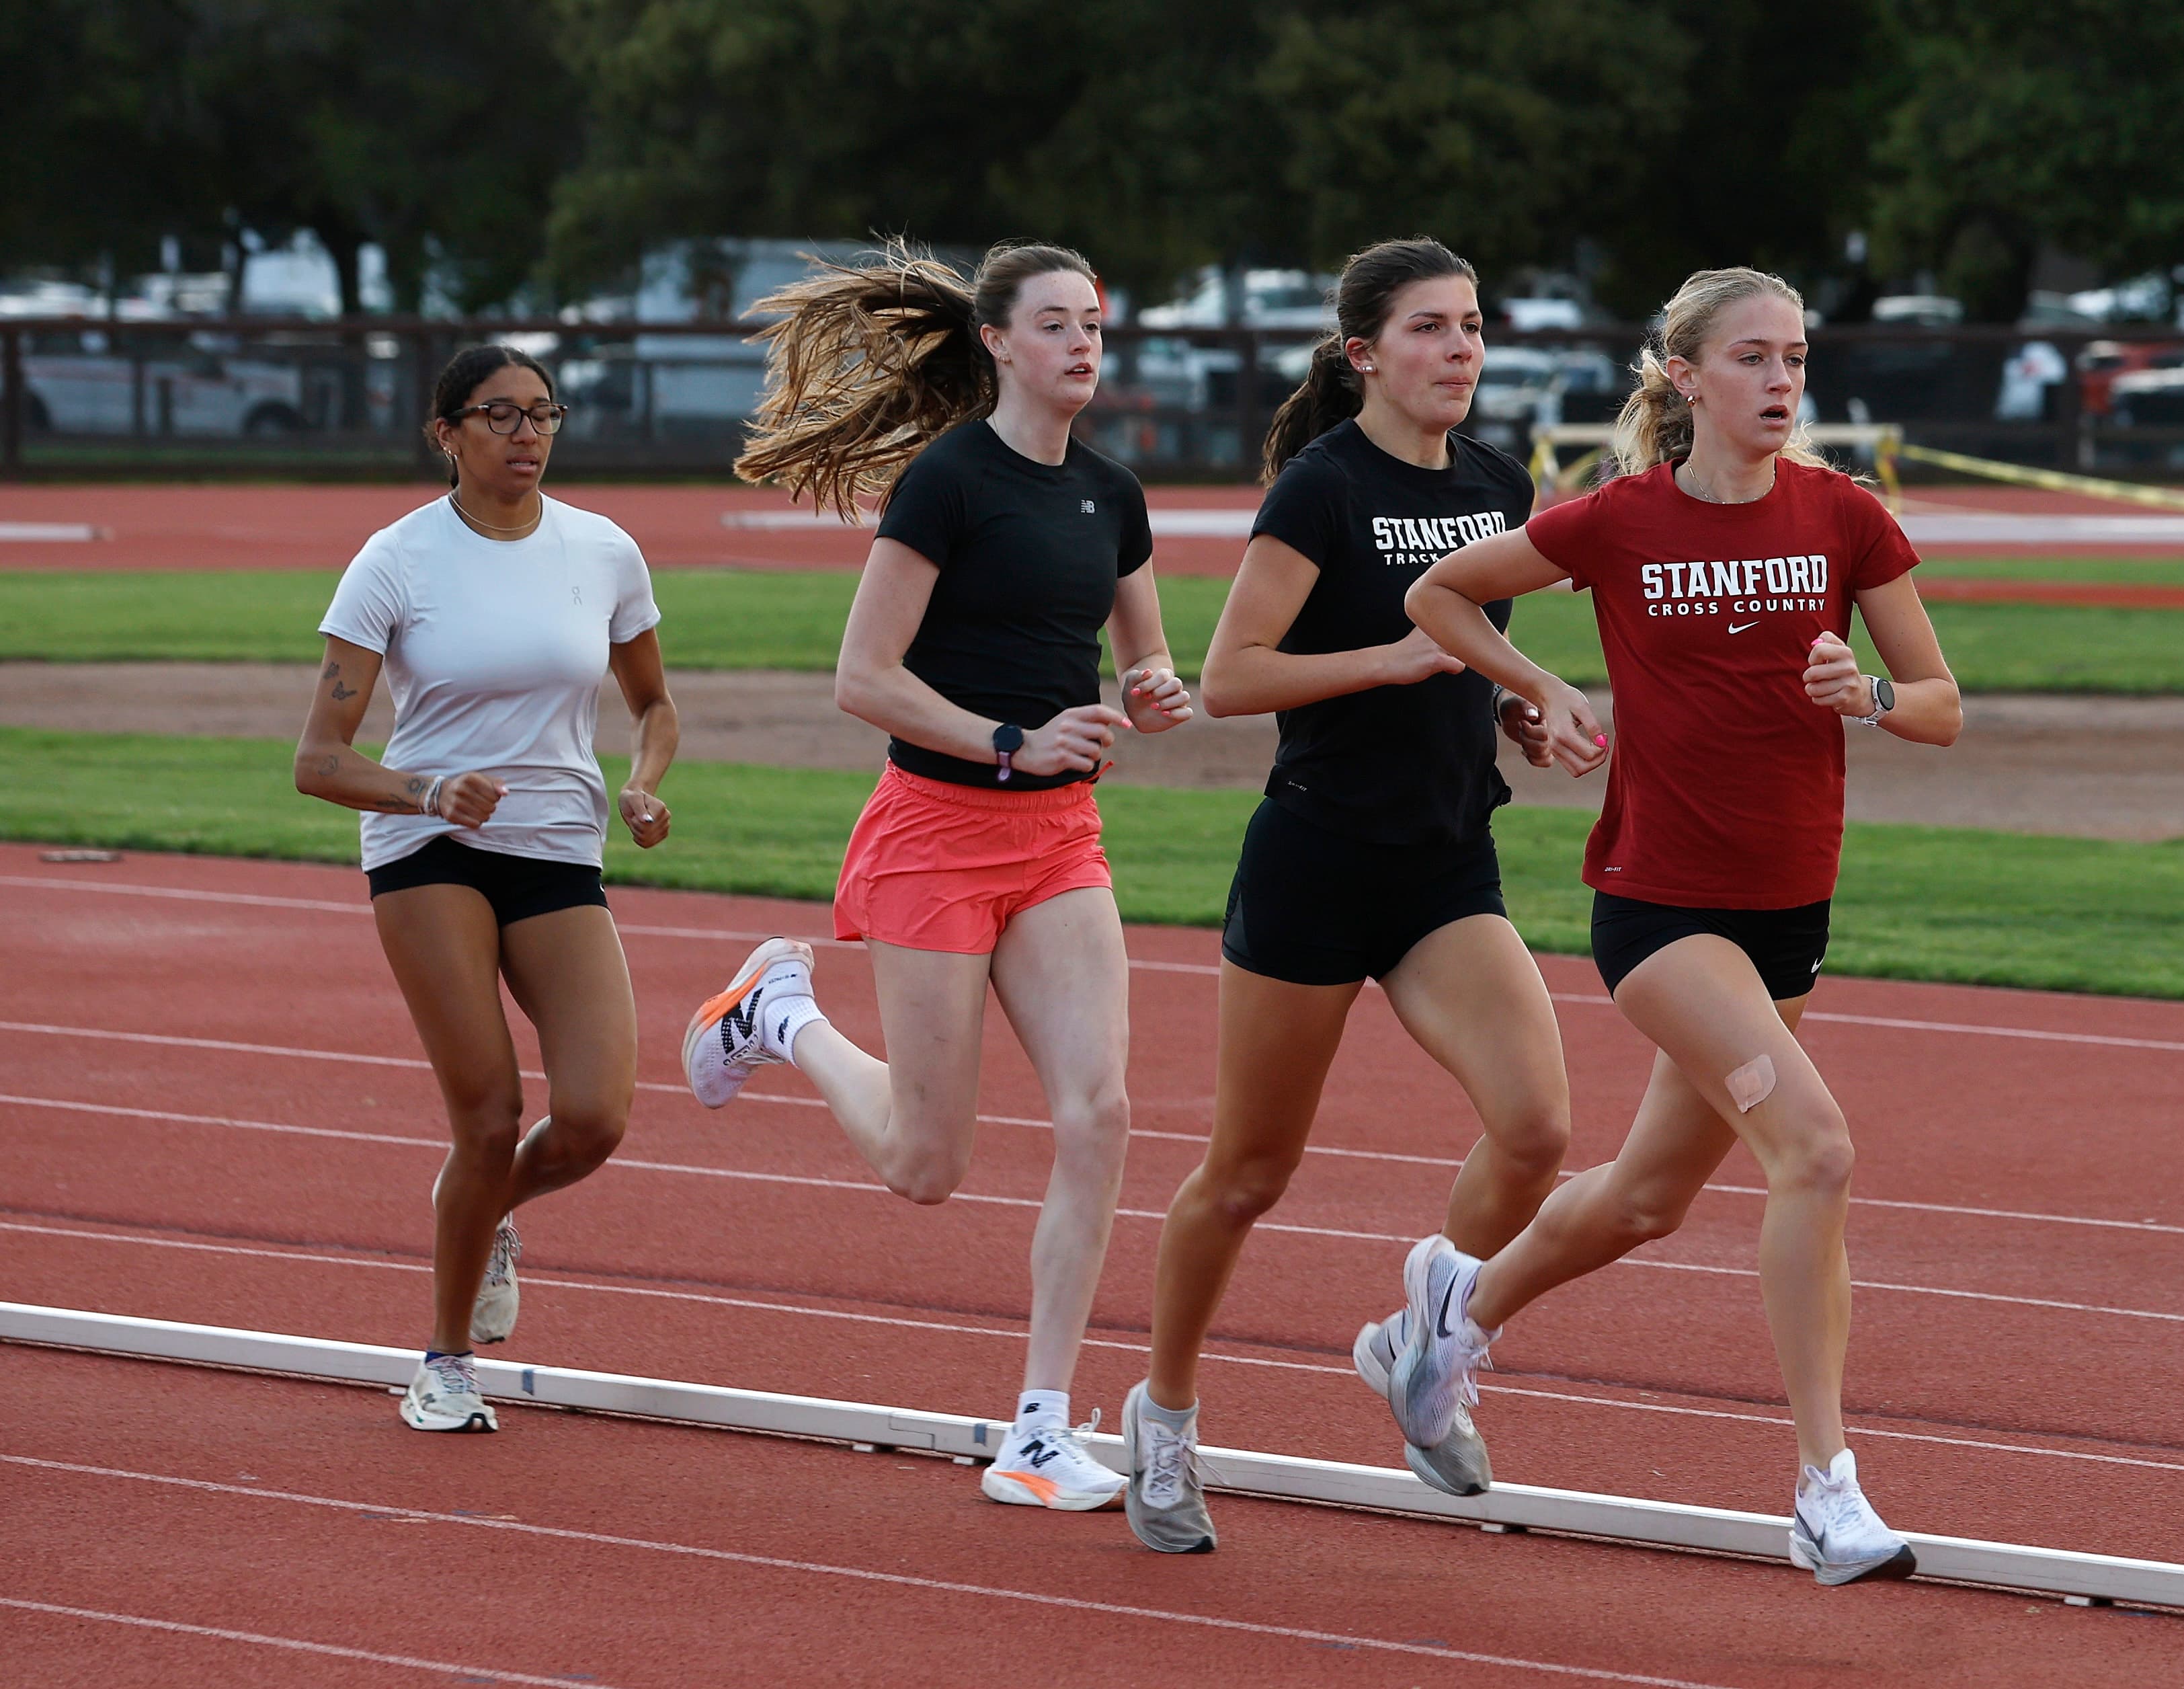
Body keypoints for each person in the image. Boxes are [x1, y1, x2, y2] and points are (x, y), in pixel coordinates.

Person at [1386, 266, 1961, 1586]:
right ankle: (1825, 1487)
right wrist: (1539, 683)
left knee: (1646, 1196)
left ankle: (1453, 1308)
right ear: (1686, 375)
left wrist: (1862, 689)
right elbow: (1437, 596)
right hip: (1658, 907)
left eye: (1796, 358)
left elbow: (1939, 703)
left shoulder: (1843, 519)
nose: (1779, 382)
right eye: (1752, 358)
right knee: (1812, 1150)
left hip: (1786, 911)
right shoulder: (1617, 521)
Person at [678, 242, 1195, 1512]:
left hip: (1058, 840)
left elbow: (1144, 659)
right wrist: (1011, 740)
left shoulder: (1112, 494)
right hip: (937, 831)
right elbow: (864, 680)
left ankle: (1037, 1427)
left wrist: (1154, 692)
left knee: (1103, 1115)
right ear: (1000, 344)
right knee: (927, 1164)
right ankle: (776, 1015)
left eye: (1096, 323)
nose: (1085, 345)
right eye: (1058, 324)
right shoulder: (948, 481)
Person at [1117, 237, 1572, 1555]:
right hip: (1318, 862)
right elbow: (1234, 676)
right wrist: (1386, 659)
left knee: (1536, 1127)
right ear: (1366, 352)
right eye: (1431, 328)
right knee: (1248, 1169)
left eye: (1474, 326)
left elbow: (1481, 643)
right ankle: (1164, 1413)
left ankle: (1419, 1343)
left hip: (1443, 862)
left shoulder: (1499, 480)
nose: (1461, 350)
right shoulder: (1320, 490)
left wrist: (1514, 704)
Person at [295, 344, 679, 1434]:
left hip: (558, 845)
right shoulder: (395, 561)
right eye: (499, 414)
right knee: (491, 1111)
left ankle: (484, 1208)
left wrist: (646, 787)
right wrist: (422, 789)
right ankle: (446, 1361)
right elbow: (319, 759)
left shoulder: (602, 549)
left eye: (543, 413)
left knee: (596, 1118)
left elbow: (654, 706)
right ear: (446, 434)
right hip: (431, 851)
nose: (526, 433)